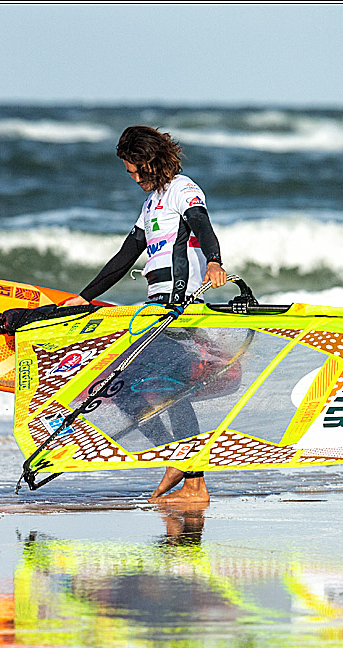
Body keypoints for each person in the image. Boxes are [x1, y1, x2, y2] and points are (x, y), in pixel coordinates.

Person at [63, 125, 227, 504]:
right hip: (158, 306)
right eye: (129, 172)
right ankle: (183, 465)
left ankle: (191, 475)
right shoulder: (151, 203)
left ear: (151, 160)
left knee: (139, 382)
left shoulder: (182, 189)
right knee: (144, 388)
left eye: (136, 170)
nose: (134, 178)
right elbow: (125, 255)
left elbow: (202, 224)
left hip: (181, 304)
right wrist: (85, 296)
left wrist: (215, 261)